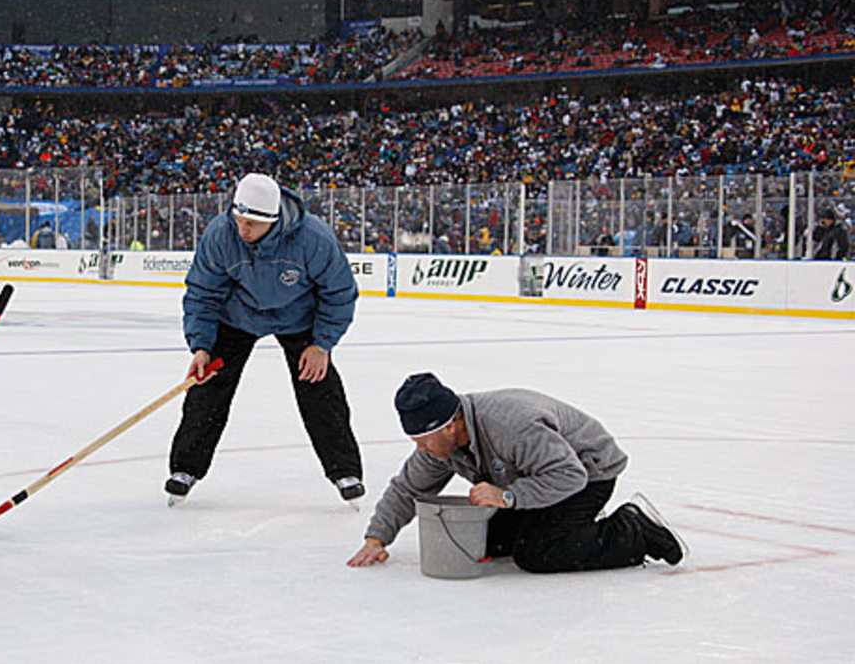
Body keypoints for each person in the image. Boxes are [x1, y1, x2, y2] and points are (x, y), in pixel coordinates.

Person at [347, 373, 685, 573]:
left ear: (449, 426)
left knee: (537, 553)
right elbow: (408, 488)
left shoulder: (510, 426)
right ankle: (570, 525)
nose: (421, 450)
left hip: (589, 472)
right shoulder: (441, 446)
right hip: (536, 477)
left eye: (423, 441)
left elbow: (570, 475)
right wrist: (377, 538)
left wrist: (509, 496)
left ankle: (632, 530)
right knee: (483, 542)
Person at [167, 173, 364, 506]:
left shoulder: (313, 238)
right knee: (208, 386)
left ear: (273, 220)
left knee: (319, 387)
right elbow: (202, 293)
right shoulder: (221, 233)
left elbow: (340, 292)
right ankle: (185, 469)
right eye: (239, 219)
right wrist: (201, 346)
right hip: (237, 316)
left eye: (252, 224)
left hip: (298, 317)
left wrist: (322, 345)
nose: (243, 229)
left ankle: (345, 471)